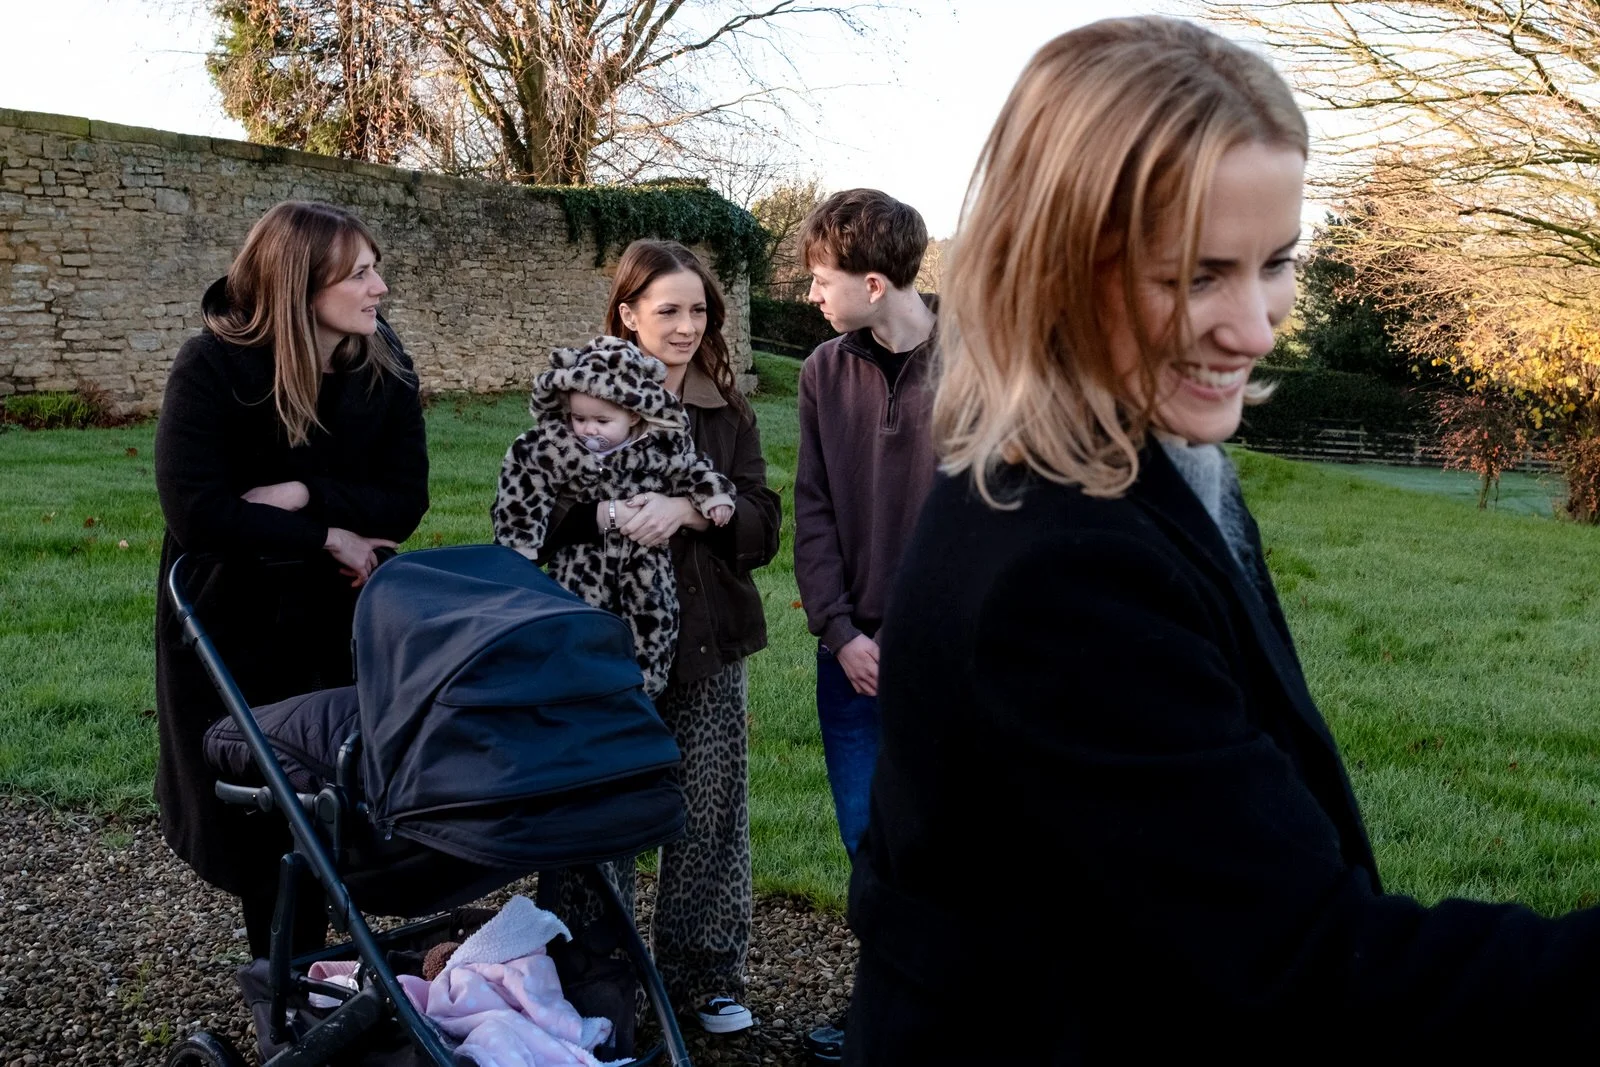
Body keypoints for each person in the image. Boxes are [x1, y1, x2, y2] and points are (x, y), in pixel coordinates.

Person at [847, 16, 1600, 1064]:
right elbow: (1306, 968)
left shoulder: (1129, 453)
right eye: (1195, 275)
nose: (1254, 327)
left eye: (1275, 262)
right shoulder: (1058, 573)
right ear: (1055, 266)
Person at [154, 201, 428, 961]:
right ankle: (290, 991)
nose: (380, 287)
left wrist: (307, 498)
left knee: (343, 791)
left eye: (376, 268)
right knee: (262, 809)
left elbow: (405, 500)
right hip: (236, 619)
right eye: (362, 273)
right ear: (302, 285)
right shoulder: (209, 367)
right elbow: (198, 510)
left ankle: (346, 973)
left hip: (342, 615)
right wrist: (330, 532)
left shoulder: (385, 364)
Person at [538, 240, 781, 1035]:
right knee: (598, 812)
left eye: (698, 310)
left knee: (708, 813)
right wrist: (607, 514)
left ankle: (703, 975)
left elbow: (762, 520)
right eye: (668, 309)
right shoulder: (581, 396)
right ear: (628, 312)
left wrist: (688, 511)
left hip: (709, 641)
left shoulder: (726, 409)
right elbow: (537, 509)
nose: (685, 326)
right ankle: (592, 979)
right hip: (602, 647)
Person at [794, 188, 939, 861]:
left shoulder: (981, 367)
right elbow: (814, 507)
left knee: (956, 847)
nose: (812, 294)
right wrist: (840, 631)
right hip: (852, 660)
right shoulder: (822, 371)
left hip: (951, 658)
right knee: (868, 845)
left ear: (874, 284)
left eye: (822, 280)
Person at [491, 334, 735, 697]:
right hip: (581, 562)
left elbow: (693, 469)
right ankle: (580, 690)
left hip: (645, 559)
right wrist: (519, 544)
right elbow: (523, 485)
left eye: (602, 421)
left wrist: (713, 497)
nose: (588, 430)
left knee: (652, 618)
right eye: (579, 418)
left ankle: (644, 687)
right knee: (576, 622)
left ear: (633, 413)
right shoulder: (556, 447)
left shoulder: (657, 447)